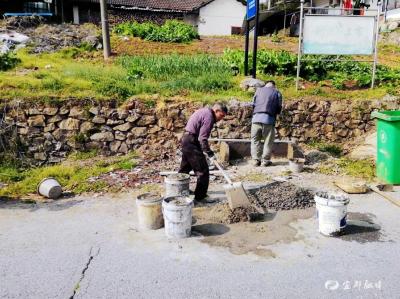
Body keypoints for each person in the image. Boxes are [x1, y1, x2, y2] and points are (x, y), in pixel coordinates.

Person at [179, 103, 228, 202]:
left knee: (185, 169)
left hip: (187, 139)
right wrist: (209, 152)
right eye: (221, 115)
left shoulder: (204, 111)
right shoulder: (209, 116)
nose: (221, 118)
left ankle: (178, 192)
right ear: (216, 111)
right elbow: (203, 138)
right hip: (192, 141)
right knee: (203, 171)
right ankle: (200, 197)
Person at [250, 80, 283, 167]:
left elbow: (253, 104)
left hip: (256, 119)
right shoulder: (277, 93)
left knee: (255, 140)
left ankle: (255, 160)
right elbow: (279, 108)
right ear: (274, 86)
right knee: (268, 141)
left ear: (266, 85)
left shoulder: (258, 90)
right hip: (269, 119)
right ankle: (265, 161)